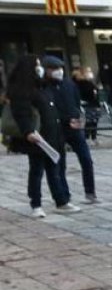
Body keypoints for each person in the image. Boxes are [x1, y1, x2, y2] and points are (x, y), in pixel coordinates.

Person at [4, 55, 79, 217]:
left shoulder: (42, 85)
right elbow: (21, 113)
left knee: (55, 169)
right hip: (38, 136)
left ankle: (61, 200)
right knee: (37, 170)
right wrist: (28, 131)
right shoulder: (21, 89)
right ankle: (36, 204)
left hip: (54, 134)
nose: (40, 68)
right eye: (37, 65)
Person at [43, 56, 98, 204]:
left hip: (74, 128)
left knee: (86, 160)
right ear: (46, 70)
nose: (58, 72)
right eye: (54, 69)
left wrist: (78, 118)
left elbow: (75, 103)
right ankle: (64, 195)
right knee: (60, 164)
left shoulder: (69, 84)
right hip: (57, 129)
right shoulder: (44, 87)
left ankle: (90, 192)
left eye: (60, 68)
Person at [73, 67, 100, 141]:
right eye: (88, 72)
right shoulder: (82, 83)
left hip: (93, 103)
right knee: (89, 121)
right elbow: (87, 93)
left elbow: (95, 91)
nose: (90, 73)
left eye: (90, 71)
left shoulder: (90, 82)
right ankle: (88, 136)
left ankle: (93, 136)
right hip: (88, 104)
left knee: (94, 120)